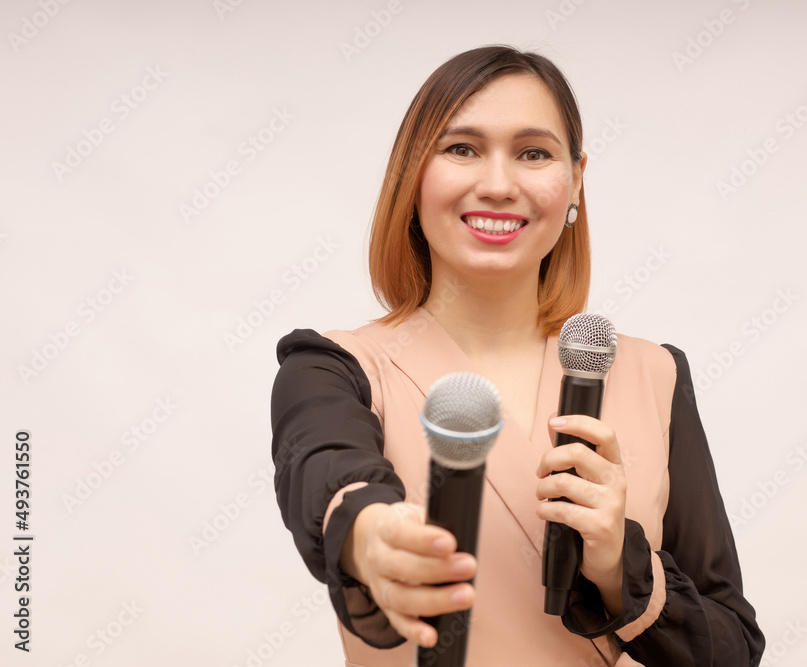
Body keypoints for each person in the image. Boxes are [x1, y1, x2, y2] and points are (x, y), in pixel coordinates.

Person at [271, 45, 765, 666]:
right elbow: (328, 476)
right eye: (461, 149)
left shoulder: (655, 374)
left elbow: (732, 650)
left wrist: (619, 565)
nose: (499, 185)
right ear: (412, 174)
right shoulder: (333, 368)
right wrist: (373, 539)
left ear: (576, 178)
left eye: (533, 153)